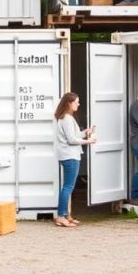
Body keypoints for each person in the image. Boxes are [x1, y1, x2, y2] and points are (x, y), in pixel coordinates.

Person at [54, 92, 97, 227]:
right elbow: (72, 140)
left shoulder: (66, 118)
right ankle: (61, 216)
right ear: (69, 103)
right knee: (68, 187)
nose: (78, 104)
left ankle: (66, 215)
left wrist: (85, 132)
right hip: (70, 156)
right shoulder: (66, 118)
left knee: (68, 187)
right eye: (76, 102)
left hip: (68, 156)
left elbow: (74, 135)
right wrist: (89, 141)